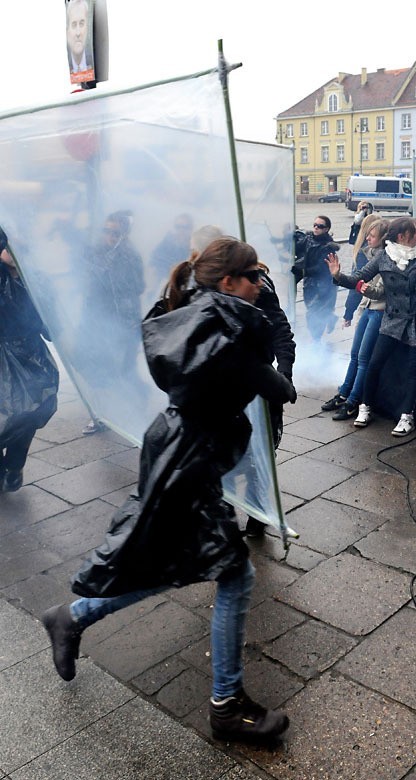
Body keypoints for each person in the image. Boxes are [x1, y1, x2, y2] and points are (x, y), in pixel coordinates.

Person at [42, 237, 295, 744]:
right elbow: (278, 387)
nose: (261, 285)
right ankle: (225, 705)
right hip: (190, 459)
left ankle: (72, 617)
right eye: (253, 278)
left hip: (184, 449)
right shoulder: (227, 329)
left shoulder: (200, 314)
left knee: (186, 561)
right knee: (231, 573)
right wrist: (261, 338)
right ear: (228, 282)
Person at [327, 217, 416, 436]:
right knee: (374, 363)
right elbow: (360, 278)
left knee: (413, 371)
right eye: (414, 232)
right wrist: (337, 276)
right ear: (401, 236)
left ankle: (406, 416)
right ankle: (365, 407)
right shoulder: (384, 256)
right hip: (391, 319)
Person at [0, 228, 59, 492]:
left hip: (31, 356)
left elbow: (50, 321)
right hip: (4, 357)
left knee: (30, 412)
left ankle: (14, 464)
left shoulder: (34, 277)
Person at [244, 260, 296, 538]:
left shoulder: (260, 289)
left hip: (260, 386)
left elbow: (281, 331)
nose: (259, 282)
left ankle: (255, 513)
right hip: (228, 392)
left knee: (261, 453)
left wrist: (283, 374)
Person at [81, 211, 145, 435]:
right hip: (96, 319)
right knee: (96, 368)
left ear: (124, 234)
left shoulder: (130, 256)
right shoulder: (95, 252)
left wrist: (117, 274)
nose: (109, 236)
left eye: (114, 232)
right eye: (106, 231)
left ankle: (140, 399)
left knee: (124, 371)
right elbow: (87, 282)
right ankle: (99, 416)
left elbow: (138, 287)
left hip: (122, 321)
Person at [321, 219, 389, 421]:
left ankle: (353, 401)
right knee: (354, 355)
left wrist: (363, 288)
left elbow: (381, 291)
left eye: (372, 235)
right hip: (367, 308)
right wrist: (338, 275)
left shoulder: (388, 258)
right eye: (367, 234)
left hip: (379, 310)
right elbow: (357, 279)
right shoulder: (370, 254)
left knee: (363, 359)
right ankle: (344, 394)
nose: (368, 238)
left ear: (383, 238)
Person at [292, 216, 340, 342]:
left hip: (323, 285)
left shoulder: (329, 247)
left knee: (313, 313)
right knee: (311, 308)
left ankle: (316, 340)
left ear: (327, 229)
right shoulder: (308, 239)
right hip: (309, 283)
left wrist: (302, 271)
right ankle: (330, 317)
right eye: (315, 225)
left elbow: (321, 268)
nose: (316, 228)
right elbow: (297, 248)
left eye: (320, 226)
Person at [342, 213, 382, 327]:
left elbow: (357, 282)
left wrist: (348, 313)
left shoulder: (365, 252)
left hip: (369, 304)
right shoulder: (368, 250)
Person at [150, 214, 193, 289]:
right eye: (178, 227)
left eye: (185, 227)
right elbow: (153, 264)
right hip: (162, 286)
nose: (181, 231)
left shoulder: (193, 249)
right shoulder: (165, 245)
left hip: (182, 288)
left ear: (190, 229)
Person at [66, 0, 95, 84]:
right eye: (74, 25)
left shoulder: (95, 64)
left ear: (87, 28)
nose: (78, 33)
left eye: (81, 24)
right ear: (67, 31)